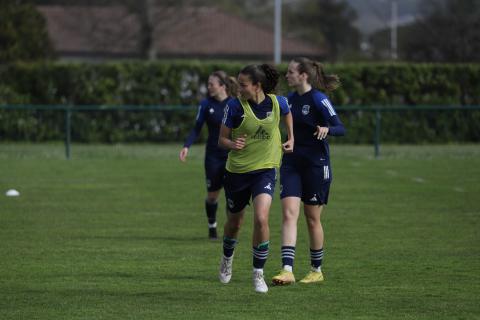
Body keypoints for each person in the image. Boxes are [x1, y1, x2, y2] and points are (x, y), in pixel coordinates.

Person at [217, 64, 294, 293]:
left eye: (243, 85)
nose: (239, 88)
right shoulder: (234, 106)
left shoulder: (278, 103)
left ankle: (257, 273)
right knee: (235, 223)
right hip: (237, 172)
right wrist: (233, 143)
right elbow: (221, 139)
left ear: (257, 86)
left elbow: (288, 114)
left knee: (261, 218)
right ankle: (227, 258)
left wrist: (292, 138)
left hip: (265, 170)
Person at [271, 57, 345, 286]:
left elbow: (340, 127)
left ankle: (316, 270)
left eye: (291, 71)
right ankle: (287, 269)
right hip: (291, 163)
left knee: (312, 218)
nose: (287, 75)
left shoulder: (319, 99)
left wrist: (327, 128)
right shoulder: (288, 100)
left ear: (303, 75)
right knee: (288, 213)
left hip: (316, 165)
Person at [179, 71, 238, 240]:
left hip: (231, 155)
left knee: (231, 195)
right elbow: (196, 128)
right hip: (212, 156)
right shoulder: (205, 104)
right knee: (212, 196)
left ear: (222, 86)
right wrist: (186, 146)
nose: (208, 87)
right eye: (208, 84)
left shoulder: (234, 104)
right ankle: (212, 226)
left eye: (212, 84)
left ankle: (230, 230)